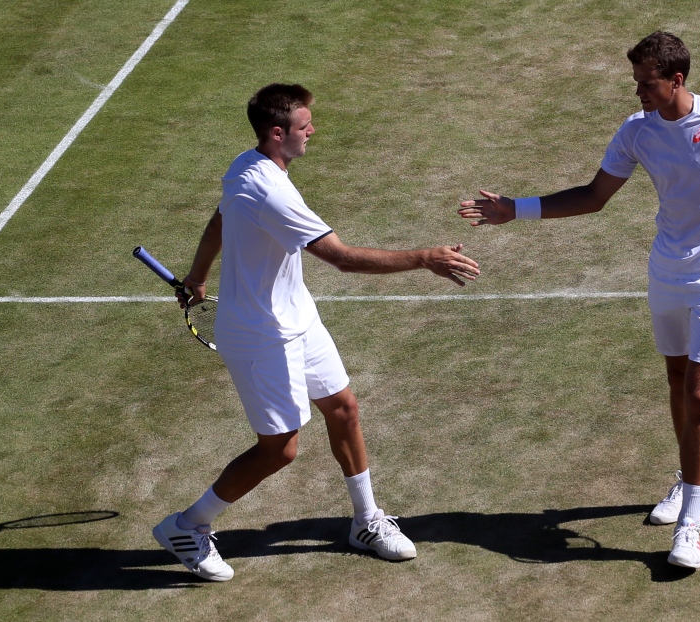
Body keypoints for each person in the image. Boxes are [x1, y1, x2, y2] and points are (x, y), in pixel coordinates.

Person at [458, 31, 700, 570]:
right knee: (677, 382)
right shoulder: (637, 132)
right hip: (666, 273)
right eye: (636, 81)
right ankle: (695, 483)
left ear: (676, 80)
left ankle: (690, 524)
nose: (637, 91)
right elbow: (594, 197)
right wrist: (514, 209)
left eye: (646, 82)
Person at [153, 83, 481, 582]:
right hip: (261, 335)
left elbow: (221, 218)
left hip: (297, 317)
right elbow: (342, 259)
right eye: (306, 126)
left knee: (343, 409)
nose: (314, 131)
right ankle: (187, 525)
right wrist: (424, 258)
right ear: (278, 133)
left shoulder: (245, 166)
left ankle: (367, 522)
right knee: (279, 449)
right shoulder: (272, 191)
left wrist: (198, 276)